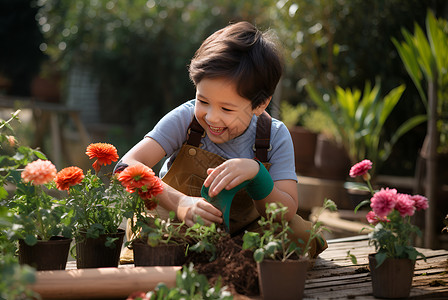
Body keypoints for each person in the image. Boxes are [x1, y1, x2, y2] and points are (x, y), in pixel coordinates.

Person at [116, 21, 327, 259]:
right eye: (203, 101)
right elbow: (126, 166)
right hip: (179, 223)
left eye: (227, 109)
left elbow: (286, 211)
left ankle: (229, 259)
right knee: (150, 231)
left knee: (298, 234)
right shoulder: (186, 119)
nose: (211, 117)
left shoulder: (274, 136)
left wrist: (258, 175)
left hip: (244, 235)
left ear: (260, 104)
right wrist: (181, 203)